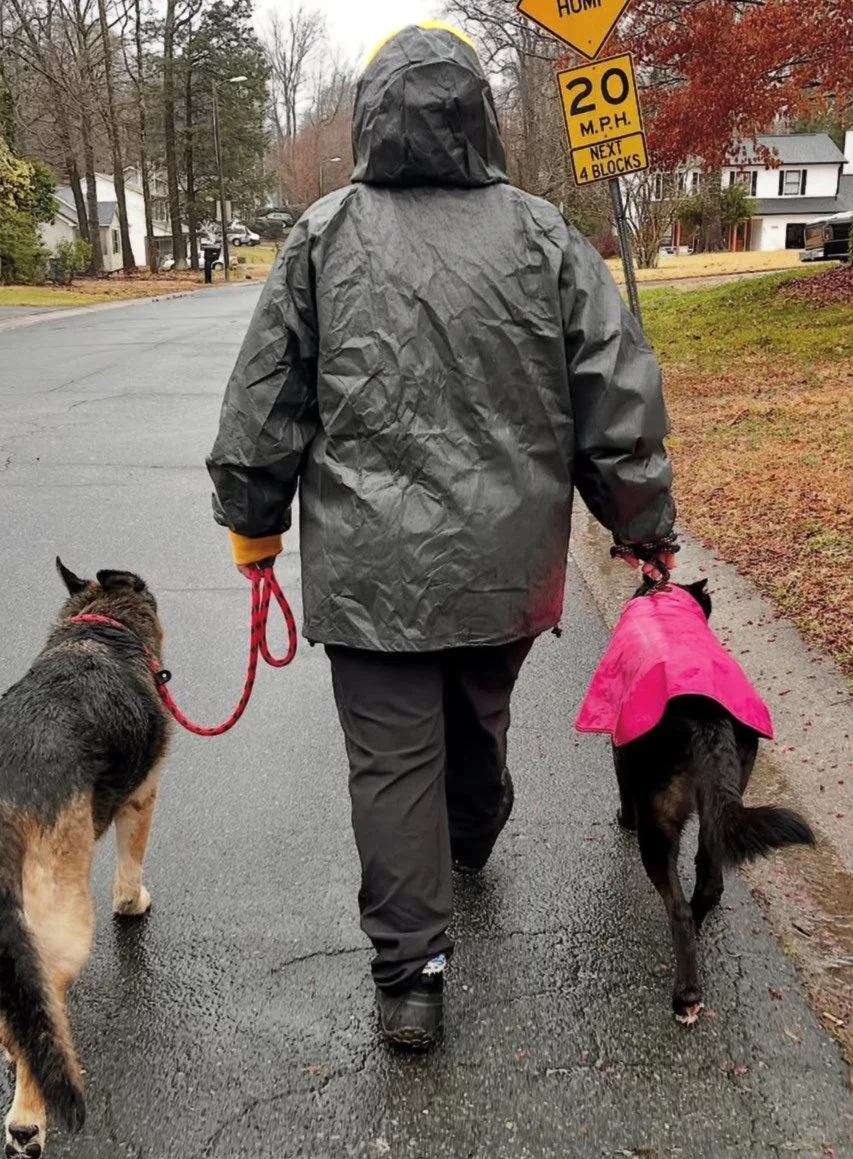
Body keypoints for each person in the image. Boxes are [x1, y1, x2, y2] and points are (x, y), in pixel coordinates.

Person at [207, 21, 677, 1050]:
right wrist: (645, 527)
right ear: (479, 114)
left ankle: (411, 970)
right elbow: (613, 394)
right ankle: (475, 821)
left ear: (375, 115)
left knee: (389, 759)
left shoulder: (325, 234)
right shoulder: (544, 235)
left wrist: (253, 523)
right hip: (506, 567)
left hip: (370, 566)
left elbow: (263, 400)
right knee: (477, 704)